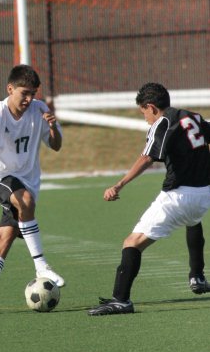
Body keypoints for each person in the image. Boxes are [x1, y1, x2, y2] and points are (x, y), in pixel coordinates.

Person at [88, 82, 210, 316]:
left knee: (132, 242)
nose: (144, 117)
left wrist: (119, 184)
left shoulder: (162, 122)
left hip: (178, 196)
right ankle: (197, 277)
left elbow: (147, 158)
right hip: (204, 194)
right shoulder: (192, 117)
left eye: (143, 111)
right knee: (193, 221)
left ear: (151, 107)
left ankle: (121, 300)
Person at [0, 64, 65, 316]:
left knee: (3, 241)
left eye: (33, 93)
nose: (29, 99)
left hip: (28, 182)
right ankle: (41, 266)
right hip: (4, 180)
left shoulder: (40, 110)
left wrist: (51, 128)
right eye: (24, 93)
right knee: (25, 201)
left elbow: (56, 146)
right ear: (10, 89)